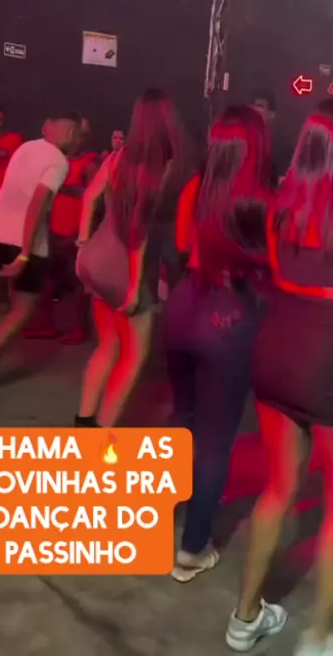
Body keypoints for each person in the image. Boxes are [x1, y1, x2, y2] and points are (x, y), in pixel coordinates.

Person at [226, 105, 333, 655]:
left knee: (277, 487)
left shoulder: (280, 209)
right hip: (326, 352)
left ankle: (244, 619)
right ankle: (318, 636)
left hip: (275, 346)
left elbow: (275, 274)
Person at [165, 105, 272, 583]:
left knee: (183, 419)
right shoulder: (260, 202)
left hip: (184, 303)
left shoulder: (196, 188)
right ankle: (192, 550)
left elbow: (181, 245)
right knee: (215, 441)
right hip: (227, 313)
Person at [0, 112, 82, 402]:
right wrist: (24, 254)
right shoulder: (59, 161)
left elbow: (21, 189)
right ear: (72, 133)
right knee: (23, 309)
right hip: (24, 242)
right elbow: (37, 203)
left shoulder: (26, 148)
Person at [75, 89, 187, 428]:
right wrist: (136, 287)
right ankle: (101, 434)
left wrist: (82, 245)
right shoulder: (162, 167)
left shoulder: (118, 155)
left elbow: (90, 196)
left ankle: (83, 423)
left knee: (107, 345)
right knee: (135, 355)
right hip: (125, 267)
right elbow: (139, 228)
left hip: (95, 259)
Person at [24, 117, 99, 344]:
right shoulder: (60, 160)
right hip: (55, 228)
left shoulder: (89, 162)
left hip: (75, 232)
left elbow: (96, 196)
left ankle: (80, 328)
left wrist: (82, 232)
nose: (78, 138)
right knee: (48, 277)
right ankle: (46, 321)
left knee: (76, 281)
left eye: (83, 134)